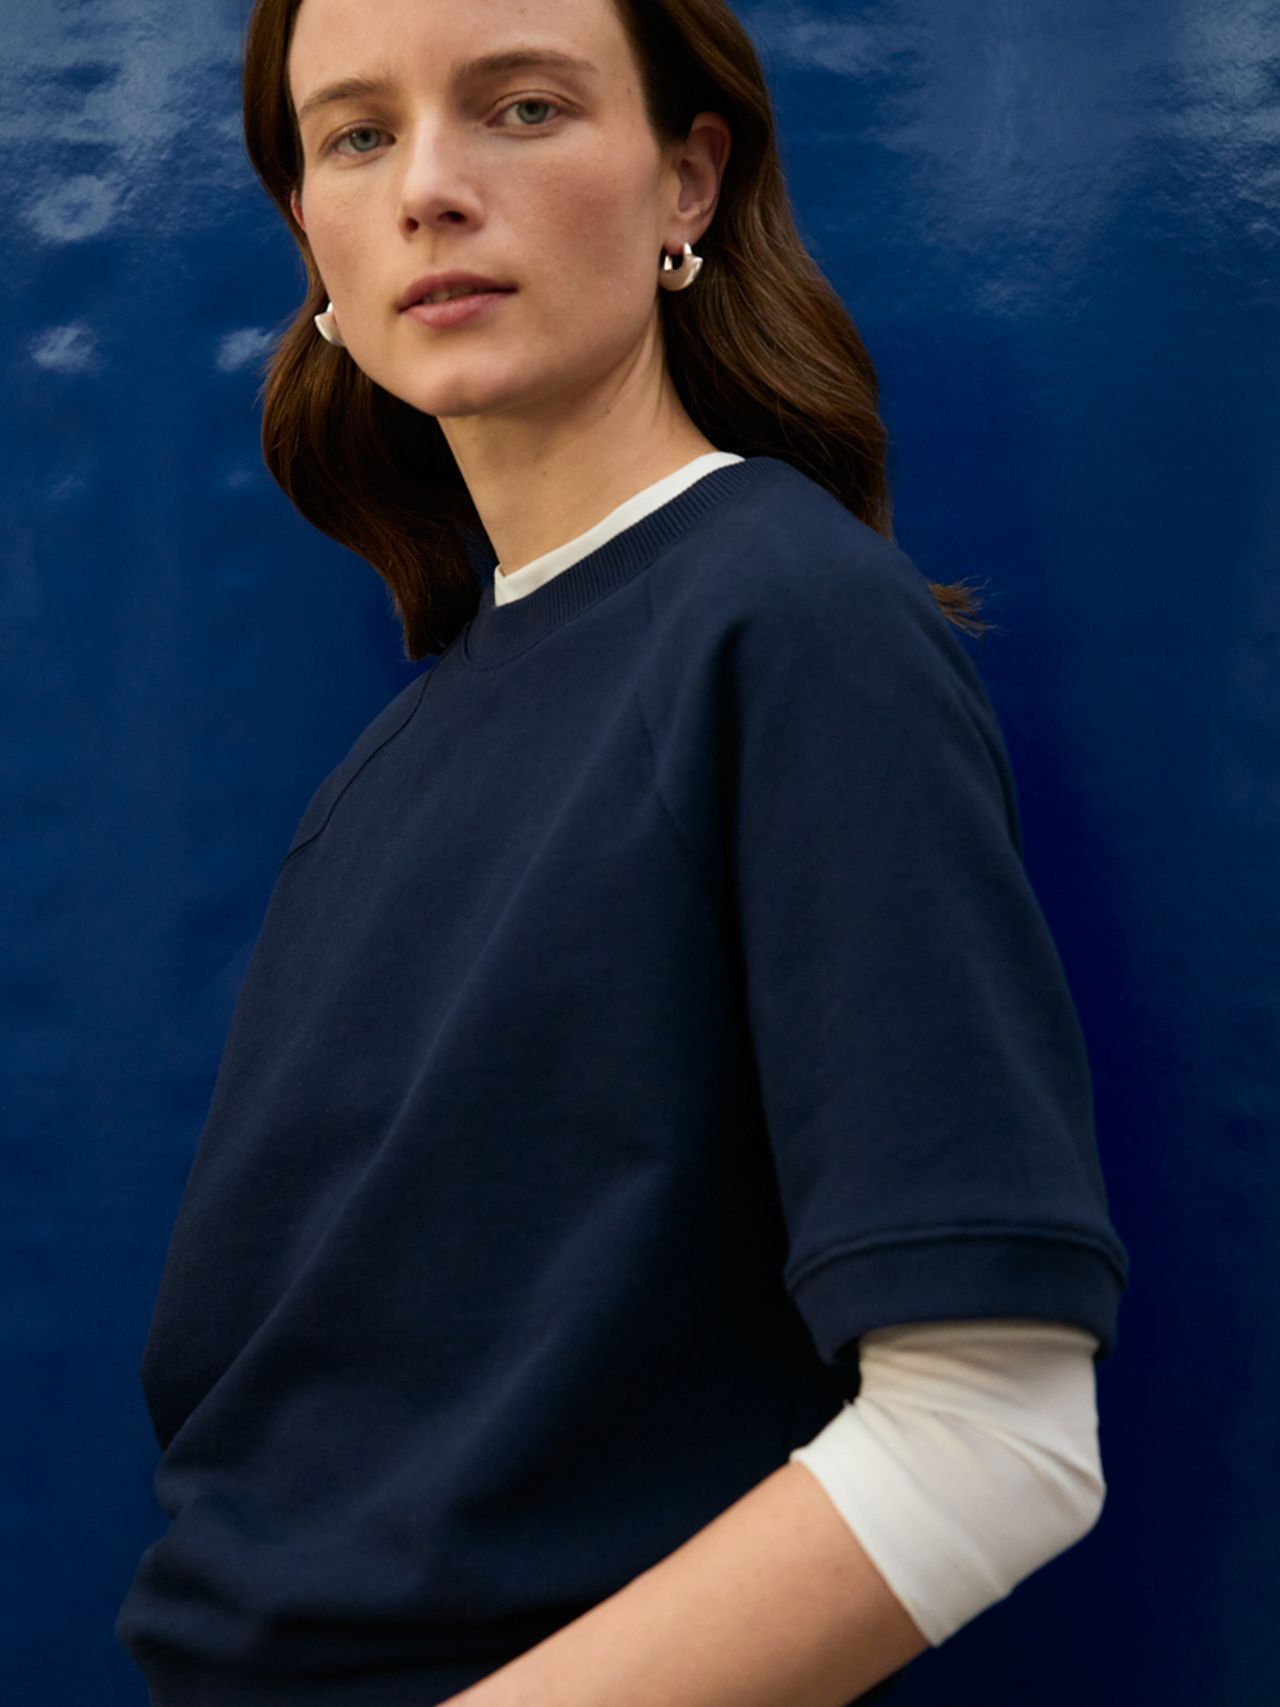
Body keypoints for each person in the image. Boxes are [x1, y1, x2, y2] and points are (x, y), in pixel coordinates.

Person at [114, 1, 1131, 1703]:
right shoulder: (392, 763)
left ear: (686, 179)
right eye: (355, 136)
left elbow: (997, 1437)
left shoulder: (792, 625)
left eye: (519, 107)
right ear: (311, 237)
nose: (429, 186)